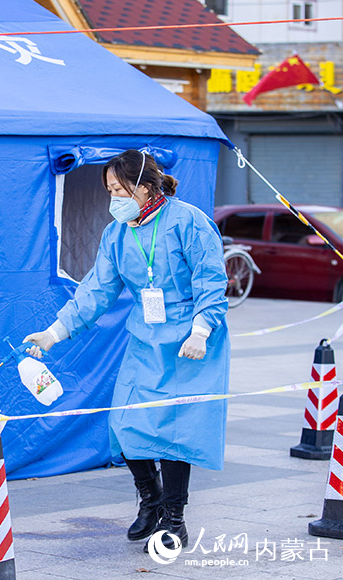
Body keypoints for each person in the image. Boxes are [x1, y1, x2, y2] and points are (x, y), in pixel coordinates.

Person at [24, 149, 229, 550]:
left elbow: (211, 279)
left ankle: (174, 519)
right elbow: (95, 291)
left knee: (174, 432)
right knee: (125, 423)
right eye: (109, 190)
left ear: (146, 186)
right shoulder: (117, 234)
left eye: (120, 189)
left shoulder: (188, 221)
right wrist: (55, 331)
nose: (113, 197)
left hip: (190, 339)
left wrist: (202, 330)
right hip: (146, 338)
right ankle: (149, 499)